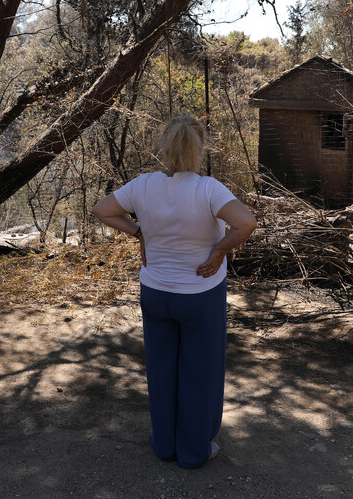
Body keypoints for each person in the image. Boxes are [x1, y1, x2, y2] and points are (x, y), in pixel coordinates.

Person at [92, 115, 257, 469]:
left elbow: (102, 210)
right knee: (200, 372)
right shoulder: (208, 188)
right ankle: (194, 451)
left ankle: (164, 445)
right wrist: (218, 251)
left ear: (164, 147)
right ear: (199, 149)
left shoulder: (142, 185)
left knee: (161, 368)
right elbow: (246, 223)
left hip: (155, 293)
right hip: (199, 294)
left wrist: (140, 234)